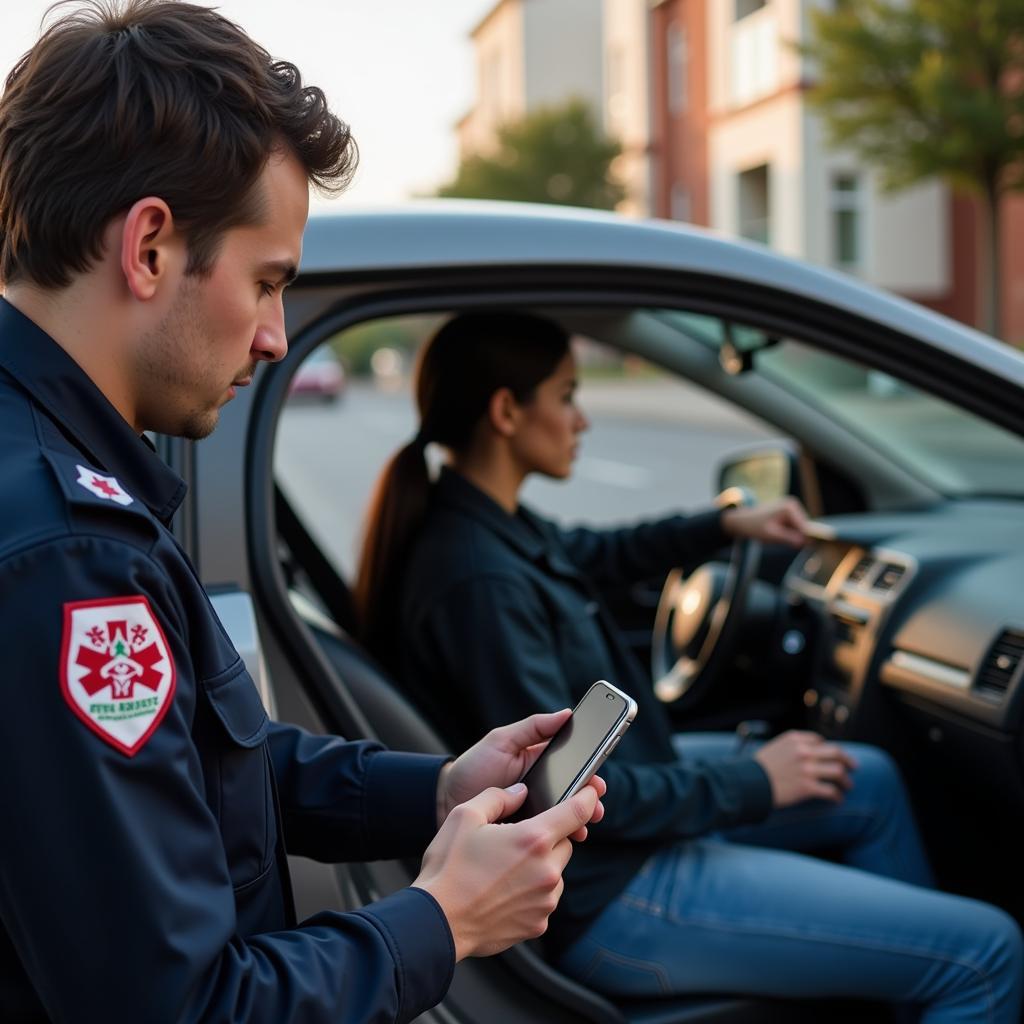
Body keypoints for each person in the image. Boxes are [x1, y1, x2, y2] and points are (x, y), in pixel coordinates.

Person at [0, 7, 605, 1023]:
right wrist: (443, 920)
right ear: (149, 247)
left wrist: (439, 791)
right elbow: (182, 1008)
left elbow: (203, 762)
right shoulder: (69, 555)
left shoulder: (61, 476)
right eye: (268, 282)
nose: (278, 336)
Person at [356, 310, 1024, 1022]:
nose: (582, 420)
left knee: (867, 778)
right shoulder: (477, 581)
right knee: (986, 953)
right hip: (609, 889)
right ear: (507, 411)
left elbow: (599, 555)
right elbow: (569, 798)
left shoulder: (492, 528)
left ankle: (890, 980)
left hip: (621, 829)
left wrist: (724, 524)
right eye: (568, 395)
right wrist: (756, 782)